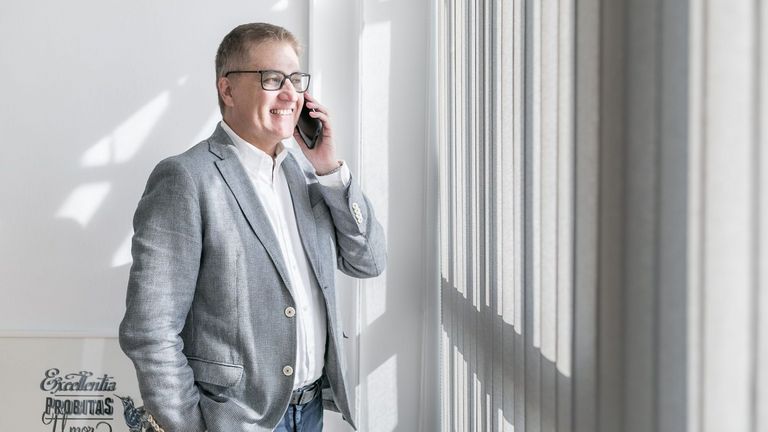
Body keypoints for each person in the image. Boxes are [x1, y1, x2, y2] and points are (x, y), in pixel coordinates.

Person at [119, 22, 386, 432]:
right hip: (235, 419)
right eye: (272, 79)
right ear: (227, 90)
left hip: (311, 410)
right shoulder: (187, 178)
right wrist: (190, 426)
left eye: (295, 80)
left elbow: (367, 261)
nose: (290, 94)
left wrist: (330, 169)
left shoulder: (307, 174)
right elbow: (150, 329)